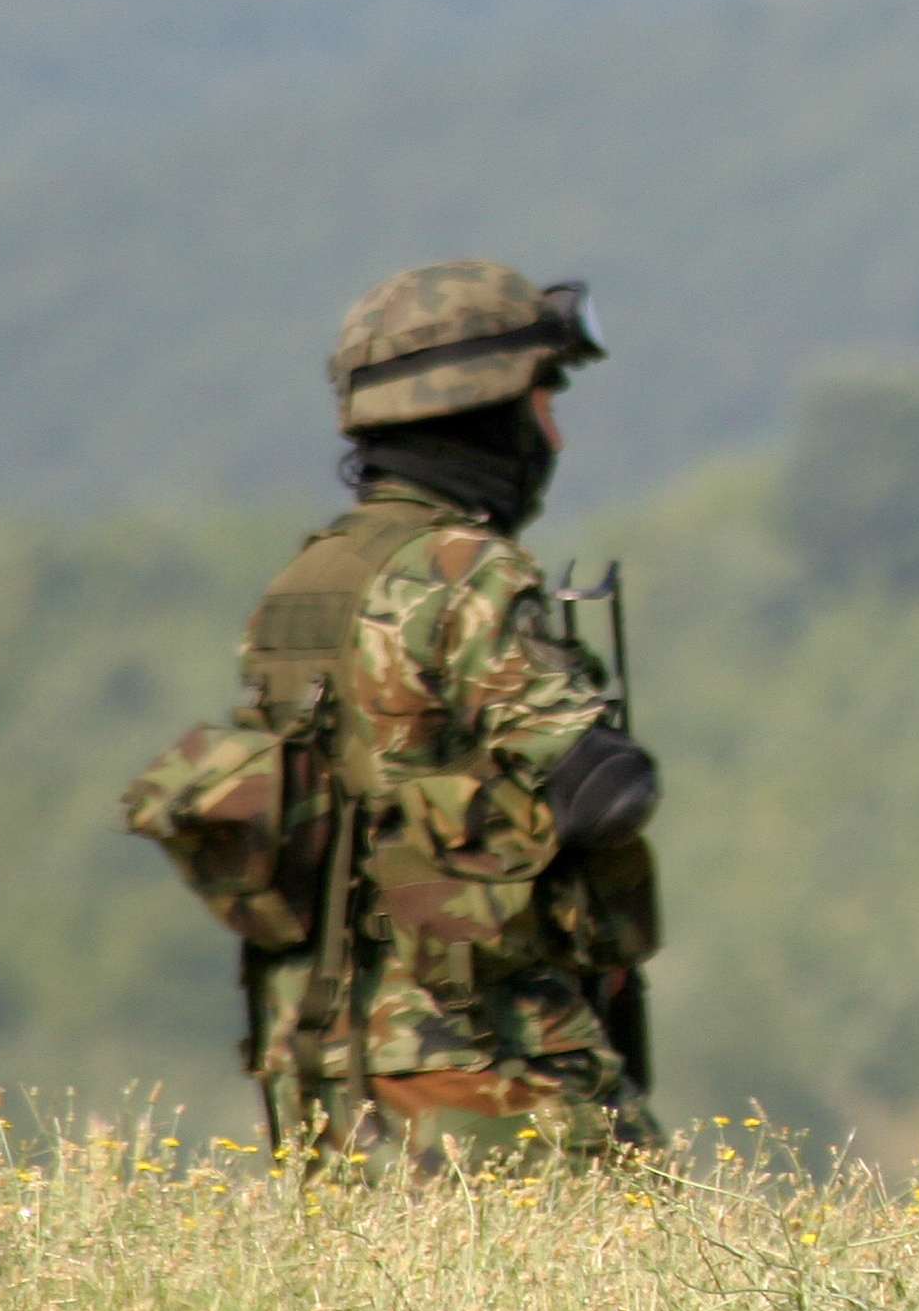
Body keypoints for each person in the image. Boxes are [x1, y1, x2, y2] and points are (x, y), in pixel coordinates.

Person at [238, 259, 665, 1162]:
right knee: (645, 1284)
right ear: (488, 411)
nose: (553, 431)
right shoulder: (466, 571)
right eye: (543, 400)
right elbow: (601, 790)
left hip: (314, 1049)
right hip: (482, 1042)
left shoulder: (308, 582)